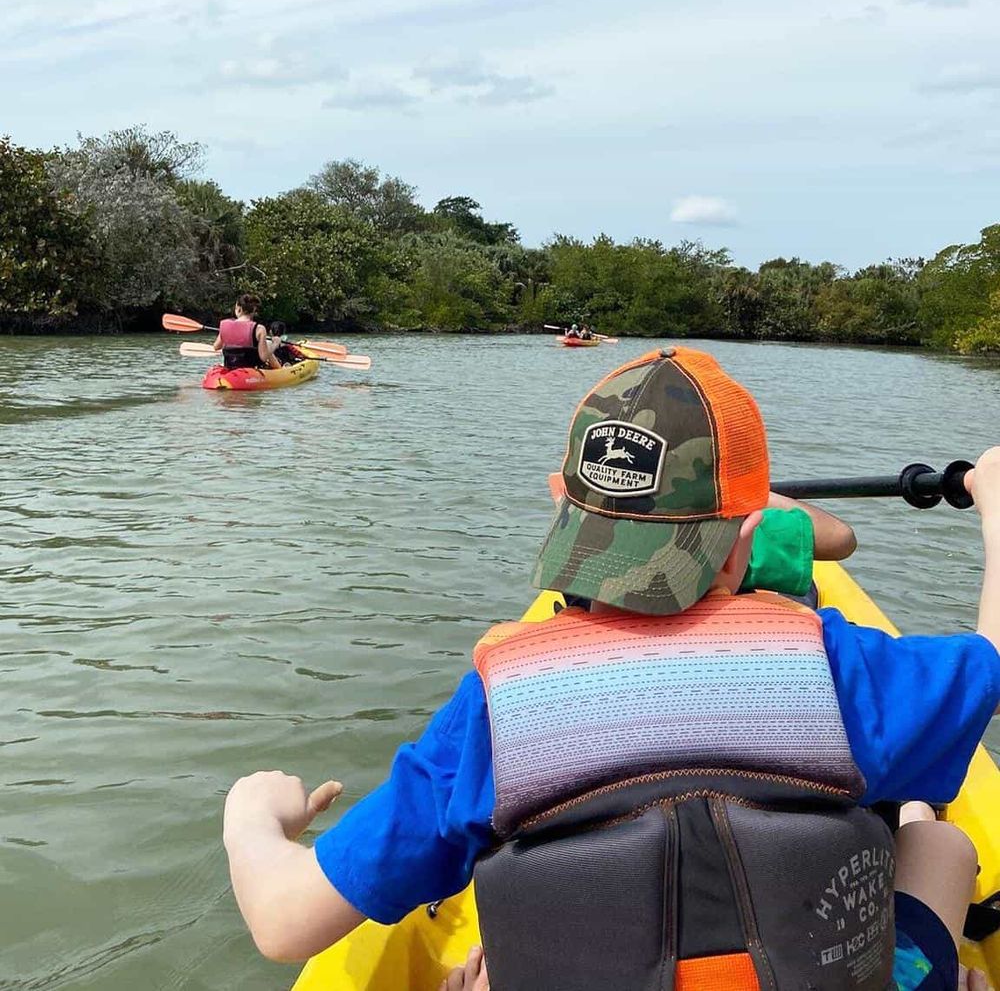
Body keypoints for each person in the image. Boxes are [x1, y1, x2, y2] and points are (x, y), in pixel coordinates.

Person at [223, 348, 1000, 990]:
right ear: (745, 545)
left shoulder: (495, 713)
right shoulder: (843, 670)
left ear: (566, 527)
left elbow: (284, 921)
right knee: (936, 842)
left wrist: (252, 817)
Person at [213, 295, 277, 372]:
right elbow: (263, 357)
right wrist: (276, 344)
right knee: (269, 344)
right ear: (254, 310)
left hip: (230, 367)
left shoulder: (225, 325)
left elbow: (216, 346)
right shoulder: (260, 329)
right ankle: (281, 371)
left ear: (238, 308)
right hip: (250, 370)